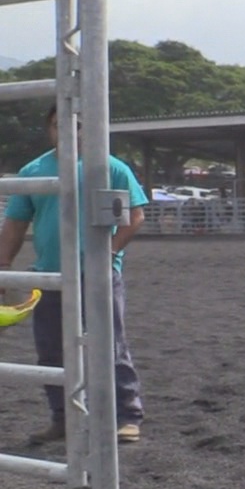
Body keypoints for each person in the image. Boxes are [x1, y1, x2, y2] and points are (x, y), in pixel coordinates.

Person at [0, 105, 149, 444]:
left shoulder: (110, 167)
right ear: (49, 129)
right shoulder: (34, 171)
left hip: (98, 276)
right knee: (51, 351)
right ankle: (63, 417)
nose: (69, 132)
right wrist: (3, 268)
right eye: (58, 125)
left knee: (111, 346)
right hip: (50, 276)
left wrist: (108, 253)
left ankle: (126, 416)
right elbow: (15, 224)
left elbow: (134, 216)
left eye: (78, 126)